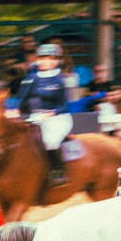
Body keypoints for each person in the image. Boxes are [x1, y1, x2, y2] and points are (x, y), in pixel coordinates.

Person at [15, 42, 75, 185]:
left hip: (58, 118)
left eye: (51, 58)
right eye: (43, 58)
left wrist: (50, 114)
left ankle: (59, 172)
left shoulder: (60, 80)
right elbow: (22, 100)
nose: (46, 62)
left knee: (50, 141)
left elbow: (65, 106)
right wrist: (19, 113)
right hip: (35, 116)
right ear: (38, 59)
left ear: (56, 61)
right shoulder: (31, 78)